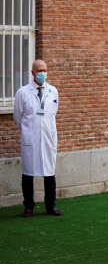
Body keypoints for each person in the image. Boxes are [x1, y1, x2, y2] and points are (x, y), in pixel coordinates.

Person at [13, 59, 62, 217]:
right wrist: (28, 131)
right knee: (28, 173)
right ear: (33, 73)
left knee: (49, 173)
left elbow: (53, 112)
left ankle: (51, 206)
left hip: (48, 137)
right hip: (31, 139)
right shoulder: (23, 92)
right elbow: (17, 116)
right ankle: (28, 206)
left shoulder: (53, 91)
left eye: (45, 70)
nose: (43, 73)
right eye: (39, 71)